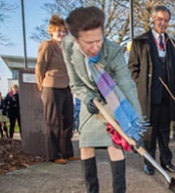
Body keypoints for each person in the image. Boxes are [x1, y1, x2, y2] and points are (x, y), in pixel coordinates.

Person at [62, 6, 145, 192]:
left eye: (98, 40)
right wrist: (89, 99)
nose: (95, 47)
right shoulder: (67, 47)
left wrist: (137, 126)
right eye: (89, 42)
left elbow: (127, 85)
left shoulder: (113, 51)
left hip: (111, 98)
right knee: (86, 146)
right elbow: (75, 84)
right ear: (76, 40)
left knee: (115, 146)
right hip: (89, 99)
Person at [128, 5, 175, 175]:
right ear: (153, 19)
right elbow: (132, 69)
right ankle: (149, 163)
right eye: (160, 19)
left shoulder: (172, 43)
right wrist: (141, 85)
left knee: (164, 131)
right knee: (149, 132)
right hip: (149, 95)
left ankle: (167, 162)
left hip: (167, 95)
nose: (162, 23)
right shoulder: (140, 42)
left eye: (166, 21)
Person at [35, 15, 77, 164]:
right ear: (51, 32)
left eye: (64, 31)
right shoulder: (48, 45)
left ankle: (67, 152)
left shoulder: (66, 48)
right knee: (53, 122)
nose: (61, 34)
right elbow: (40, 67)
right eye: (58, 31)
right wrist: (41, 86)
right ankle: (54, 155)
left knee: (68, 121)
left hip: (66, 87)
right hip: (51, 87)